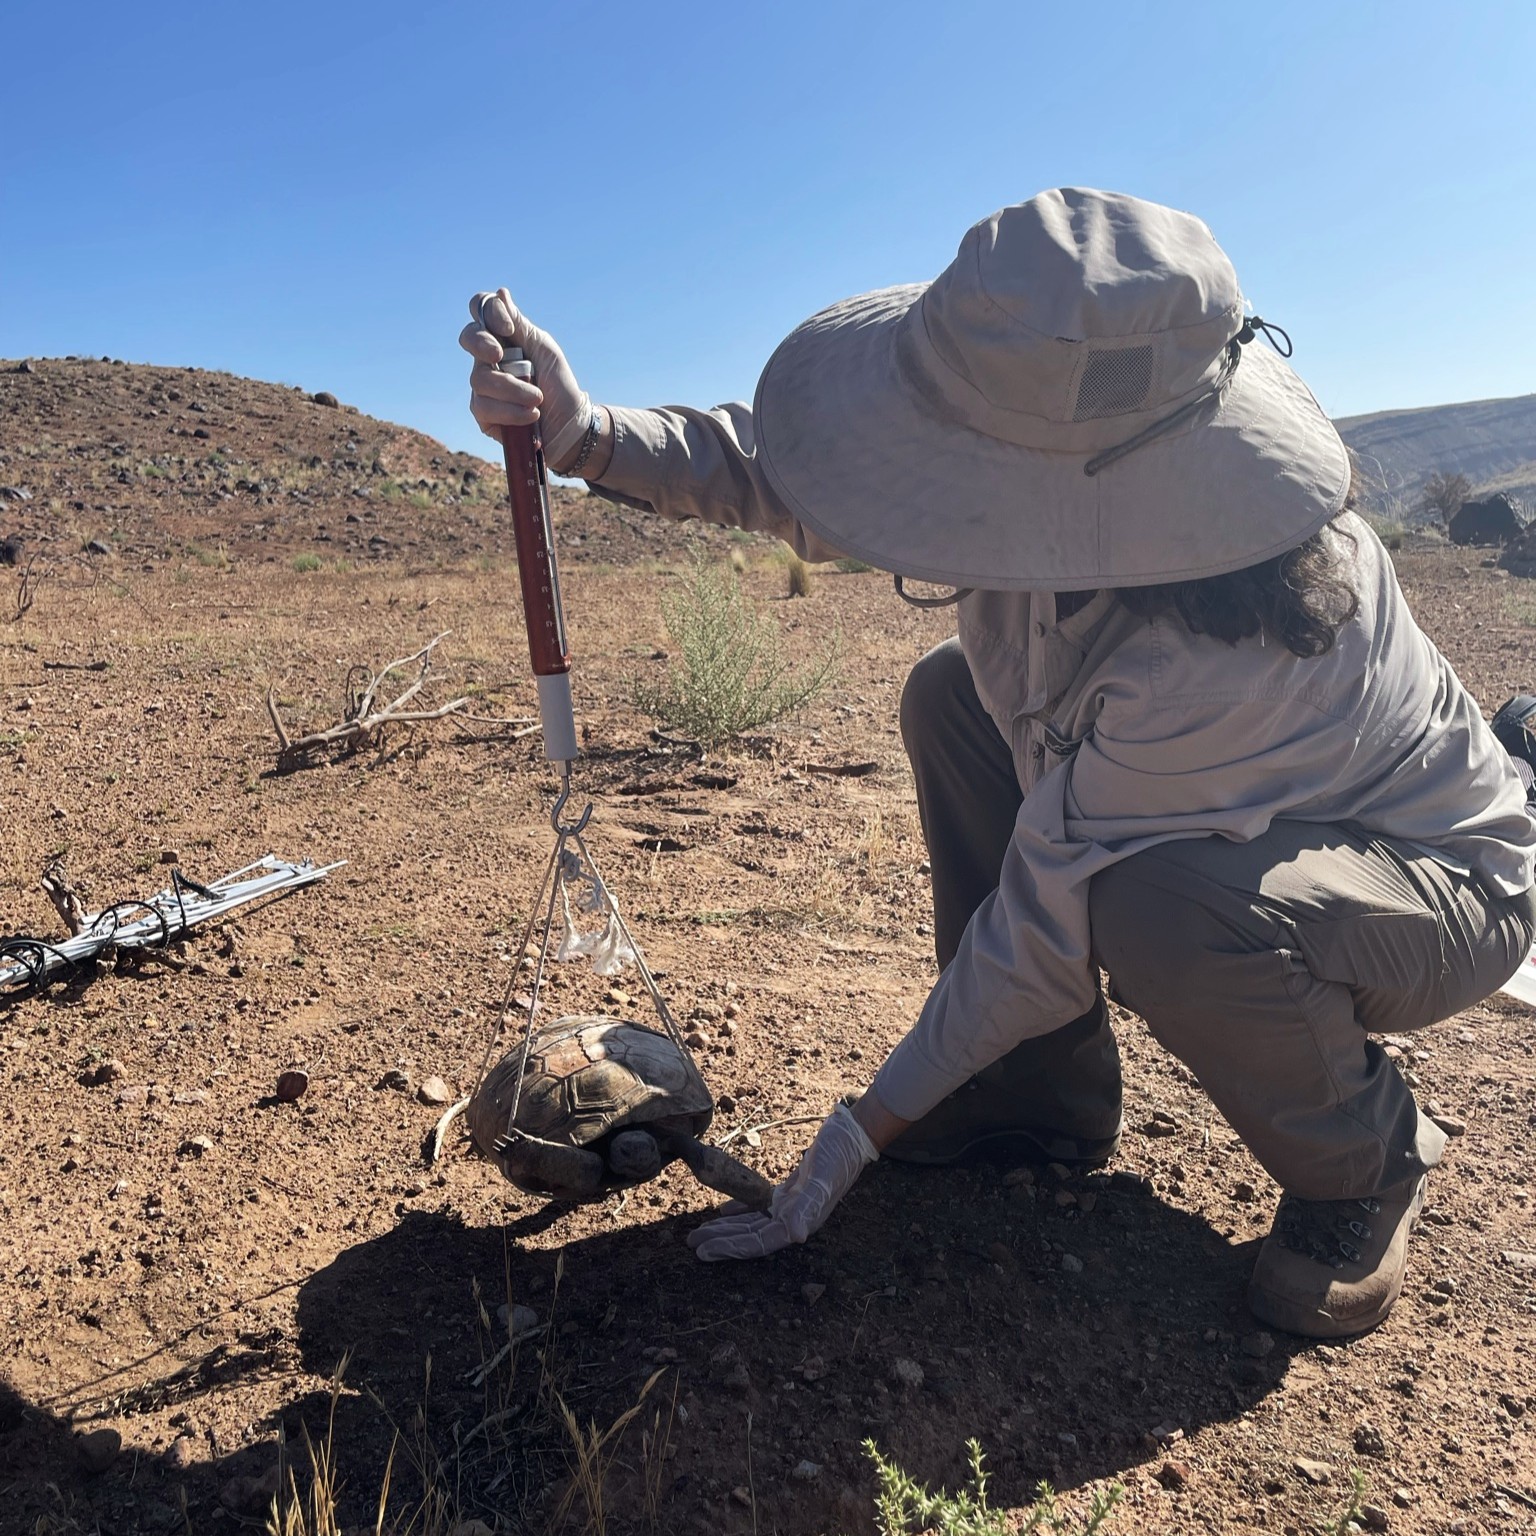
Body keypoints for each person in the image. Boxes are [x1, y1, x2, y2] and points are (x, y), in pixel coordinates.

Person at [461, 188, 1536, 1339]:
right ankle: (1029, 1097)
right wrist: (587, 434)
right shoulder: (1087, 480)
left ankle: (1363, 1161)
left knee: (1155, 907)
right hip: (1231, 809)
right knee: (952, 694)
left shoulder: (1220, 657)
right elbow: (809, 477)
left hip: (1431, 882)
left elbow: (1040, 925)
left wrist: (860, 1131)